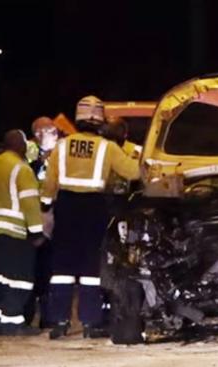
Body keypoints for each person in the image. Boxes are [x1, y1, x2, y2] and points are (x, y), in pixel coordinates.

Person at [40, 96, 141, 339]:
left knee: (62, 268)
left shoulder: (62, 147)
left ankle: (59, 322)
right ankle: (89, 322)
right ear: (99, 121)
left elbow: (49, 183)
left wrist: (46, 208)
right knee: (90, 268)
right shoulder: (107, 147)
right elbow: (133, 171)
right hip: (94, 208)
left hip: (66, 207)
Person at [0, 130, 45, 337]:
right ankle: (12, 322)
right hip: (15, 235)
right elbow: (30, 202)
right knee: (19, 279)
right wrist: (36, 232)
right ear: (20, 146)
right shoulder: (22, 169)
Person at [23, 117, 59, 328]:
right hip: (32, 217)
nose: (55, 134)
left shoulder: (58, 152)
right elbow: (26, 173)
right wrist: (42, 159)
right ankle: (26, 314)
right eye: (51, 131)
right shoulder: (28, 150)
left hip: (50, 218)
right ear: (38, 133)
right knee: (31, 270)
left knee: (48, 270)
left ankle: (48, 316)